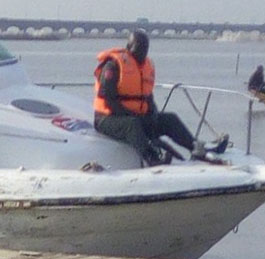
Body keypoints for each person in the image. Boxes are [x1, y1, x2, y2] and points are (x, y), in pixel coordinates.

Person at [93, 30, 228, 166]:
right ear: (129, 47)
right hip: (107, 119)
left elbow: (147, 96)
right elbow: (109, 101)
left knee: (170, 119)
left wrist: (152, 113)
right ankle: (152, 159)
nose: (141, 53)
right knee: (132, 124)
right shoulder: (113, 66)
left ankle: (196, 148)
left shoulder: (146, 66)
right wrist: (135, 116)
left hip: (137, 116)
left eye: (144, 49)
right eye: (138, 48)